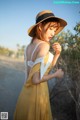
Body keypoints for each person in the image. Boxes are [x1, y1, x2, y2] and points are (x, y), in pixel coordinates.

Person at [14, 10, 67, 120]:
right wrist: (56, 75)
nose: (53, 33)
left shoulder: (29, 47)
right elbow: (36, 79)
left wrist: (57, 54)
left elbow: (44, 69)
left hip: (25, 94)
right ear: (40, 27)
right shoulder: (44, 46)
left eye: (55, 29)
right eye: (51, 28)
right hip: (37, 95)